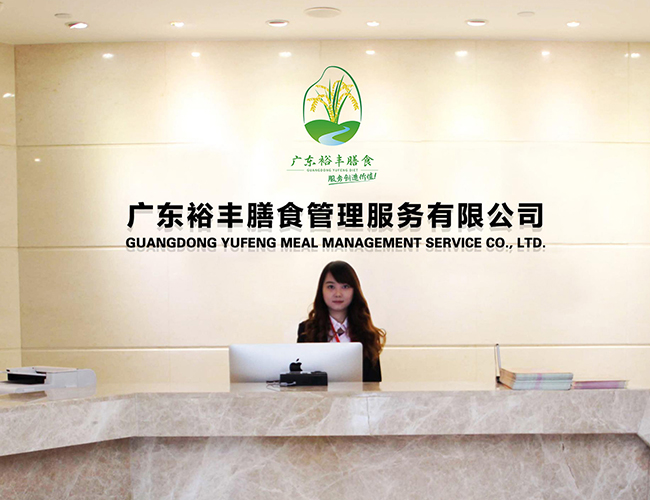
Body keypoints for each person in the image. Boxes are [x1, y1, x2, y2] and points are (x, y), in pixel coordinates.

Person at [297, 261, 386, 382]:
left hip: (357, 394)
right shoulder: (307, 330)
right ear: (321, 290)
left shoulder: (367, 332)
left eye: (345, 287)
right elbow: (301, 381)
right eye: (331, 287)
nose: (338, 294)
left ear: (354, 291)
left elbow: (374, 384)